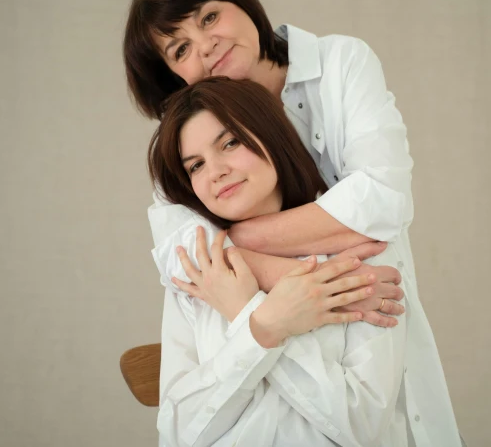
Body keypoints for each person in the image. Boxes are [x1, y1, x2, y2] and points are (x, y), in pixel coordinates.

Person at [124, 0, 462, 446]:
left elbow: (382, 203)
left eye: (209, 17)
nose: (205, 45)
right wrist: (326, 294)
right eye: (180, 49)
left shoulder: (341, 63)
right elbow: (185, 254)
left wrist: (237, 247)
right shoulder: (185, 150)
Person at [151, 77, 409, 446]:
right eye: (195, 166)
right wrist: (261, 328)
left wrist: (250, 317)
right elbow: (177, 434)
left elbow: (361, 424)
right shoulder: (197, 275)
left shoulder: (362, 253)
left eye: (230, 142)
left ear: (270, 134)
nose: (215, 171)